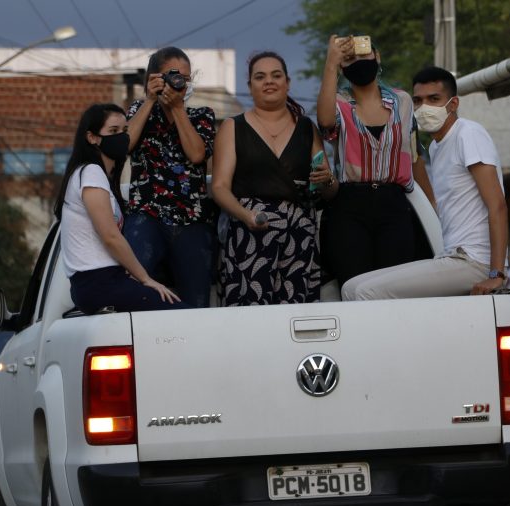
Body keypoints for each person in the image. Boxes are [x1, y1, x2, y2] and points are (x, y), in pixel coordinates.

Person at [341, 66, 508, 300]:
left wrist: (496, 273)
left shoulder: (468, 134)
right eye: (418, 100)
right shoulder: (436, 146)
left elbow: (497, 205)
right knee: (350, 288)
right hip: (450, 256)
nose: (424, 107)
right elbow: (434, 200)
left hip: (474, 260)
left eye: (434, 99)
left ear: (453, 104)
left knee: (366, 292)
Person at [211, 51, 335, 306]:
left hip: (299, 235)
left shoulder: (306, 127)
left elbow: (328, 191)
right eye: (260, 76)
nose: (269, 81)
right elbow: (220, 187)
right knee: (250, 315)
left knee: (296, 318)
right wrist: (247, 216)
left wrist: (328, 181)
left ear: (287, 83)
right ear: (250, 86)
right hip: (250, 233)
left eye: (276, 75)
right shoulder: (233, 127)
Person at [316, 35, 432, 290]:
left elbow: (413, 156)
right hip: (349, 206)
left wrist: (433, 210)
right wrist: (330, 63)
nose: (358, 61)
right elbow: (325, 123)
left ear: (377, 57)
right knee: (354, 286)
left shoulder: (402, 101)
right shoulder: (339, 103)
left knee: (396, 287)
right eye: (349, 58)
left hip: (394, 203)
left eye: (363, 54)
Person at [53, 103, 186, 314]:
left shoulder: (95, 175)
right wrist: (146, 279)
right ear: (92, 137)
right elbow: (110, 237)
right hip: (100, 282)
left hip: (98, 283)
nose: (122, 137)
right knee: (180, 313)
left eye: (124, 131)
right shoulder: (91, 173)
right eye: (113, 131)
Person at [123, 47, 216, 308]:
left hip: (191, 218)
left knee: (197, 300)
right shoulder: (138, 111)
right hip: (146, 213)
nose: (178, 83)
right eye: (172, 76)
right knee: (132, 283)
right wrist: (150, 100)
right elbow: (124, 145)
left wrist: (177, 108)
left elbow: (197, 154)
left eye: (184, 79)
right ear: (153, 78)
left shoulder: (202, 115)